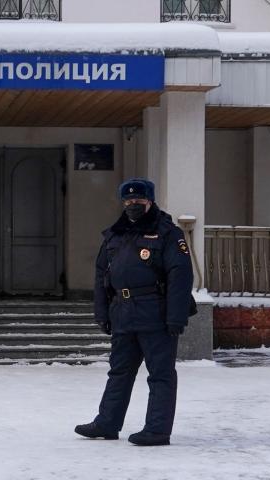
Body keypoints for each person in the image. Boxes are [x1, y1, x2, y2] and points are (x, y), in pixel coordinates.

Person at [75, 178, 194, 446]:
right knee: (119, 371)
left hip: (156, 314)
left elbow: (181, 276)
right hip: (123, 313)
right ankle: (107, 422)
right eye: (128, 201)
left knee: (160, 374)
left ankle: (157, 430)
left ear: (150, 201)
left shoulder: (168, 233)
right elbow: (101, 275)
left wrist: (176, 316)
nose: (132, 205)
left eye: (138, 200)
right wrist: (102, 312)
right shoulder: (114, 235)